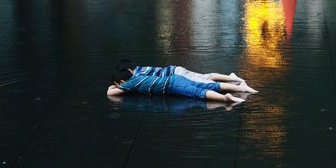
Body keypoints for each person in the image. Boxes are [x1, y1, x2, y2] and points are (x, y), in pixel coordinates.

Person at [106, 68, 257, 103]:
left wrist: (112, 88)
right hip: (175, 77)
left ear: (121, 82)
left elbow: (110, 93)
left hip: (172, 84)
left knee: (197, 92)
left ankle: (226, 99)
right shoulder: (138, 76)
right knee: (206, 85)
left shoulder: (130, 84)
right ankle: (241, 88)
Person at [115, 59, 245, 84]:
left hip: (175, 75)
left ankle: (233, 84)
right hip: (176, 69)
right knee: (206, 76)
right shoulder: (142, 67)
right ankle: (231, 77)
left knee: (204, 82)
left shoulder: (137, 75)